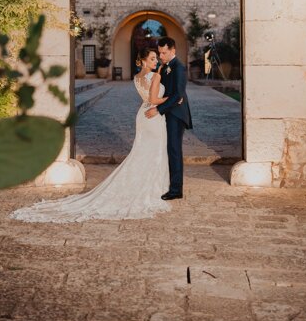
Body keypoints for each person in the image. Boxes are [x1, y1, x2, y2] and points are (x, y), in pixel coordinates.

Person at [10, 47, 171, 222]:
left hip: (142, 115)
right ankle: (153, 188)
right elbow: (154, 100)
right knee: (155, 151)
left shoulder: (136, 77)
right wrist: (171, 99)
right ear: (145, 61)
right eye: (153, 59)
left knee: (142, 152)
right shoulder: (155, 76)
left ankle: (146, 185)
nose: (156, 61)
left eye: (157, 59)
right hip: (153, 115)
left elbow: (146, 98)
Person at [145, 37, 192, 200]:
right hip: (169, 111)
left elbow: (178, 95)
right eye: (159, 52)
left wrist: (158, 109)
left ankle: (176, 190)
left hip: (176, 114)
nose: (161, 56)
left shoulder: (179, 67)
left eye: (164, 52)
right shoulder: (165, 67)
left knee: (174, 150)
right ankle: (167, 183)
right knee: (168, 149)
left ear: (173, 50)